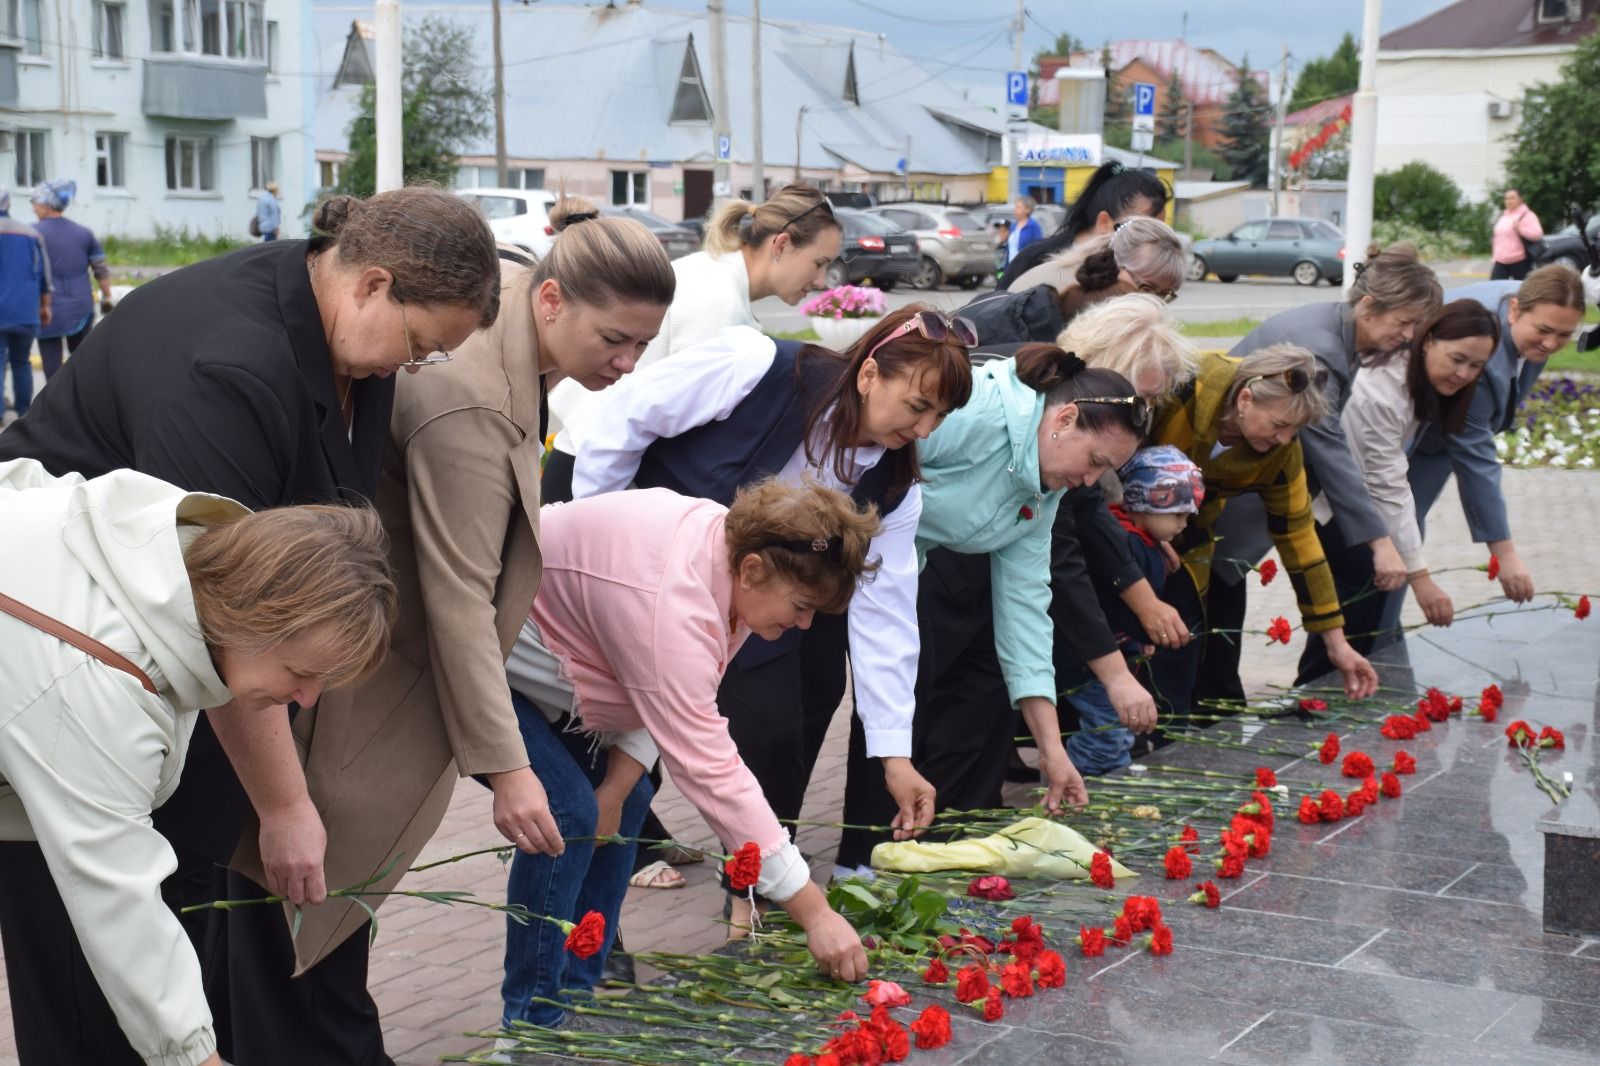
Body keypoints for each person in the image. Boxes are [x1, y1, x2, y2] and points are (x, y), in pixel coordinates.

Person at [0, 185, 501, 1059]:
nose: (408, 370)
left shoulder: (342, 335)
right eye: (420, 347)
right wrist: (285, 802)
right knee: (99, 975)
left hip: (151, 674)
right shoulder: (227, 377)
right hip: (61, 658)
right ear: (373, 283)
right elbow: (233, 618)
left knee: (164, 939)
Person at [219, 196, 673, 1065]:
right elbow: (461, 595)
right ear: (549, 302)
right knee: (309, 918)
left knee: (304, 930)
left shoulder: (511, 323)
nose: (627, 361)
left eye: (644, 344)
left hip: (357, 643)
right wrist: (507, 771)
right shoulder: (469, 402)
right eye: (614, 338)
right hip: (350, 673)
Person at [567, 307, 972, 924]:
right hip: (623, 553)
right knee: (615, 742)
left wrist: (895, 756)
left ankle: (748, 889)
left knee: (792, 721)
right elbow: (622, 420)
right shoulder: (756, 366)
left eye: (939, 417)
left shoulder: (896, 487)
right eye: (918, 405)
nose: (925, 428)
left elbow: (886, 621)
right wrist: (601, 552)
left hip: (749, 598)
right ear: (869, 374)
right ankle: (597, 923)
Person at [0, 458, 396, 1066]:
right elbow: (117, 895)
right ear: (259, 616)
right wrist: (194, 1056)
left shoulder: (168, 550)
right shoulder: (97, 677)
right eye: (302, 672)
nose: (307, 699)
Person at [499, 480, 881, 1031]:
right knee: (565, 817)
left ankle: (578, 997)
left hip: (572, 671)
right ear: (752, 570)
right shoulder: (673, 598)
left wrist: (618, 787)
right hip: (491, 663)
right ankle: (531, 1026)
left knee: (626, 801)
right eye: (801, 607)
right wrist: (814, 912)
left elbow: (672, 696)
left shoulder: (727, 565)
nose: (804, 625)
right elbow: (707, 764)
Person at [834, 345, 1141, 869]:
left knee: (899, 700)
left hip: (892, 572)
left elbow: (1025, 611)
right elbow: (861, 462)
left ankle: (870, 865)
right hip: (832, 546)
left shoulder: (1045, 492)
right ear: (1064, 419)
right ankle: (778, 880)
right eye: (1095, 462)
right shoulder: (978, 413)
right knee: (804, 711)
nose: (1091, 482)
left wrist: (1051, 749)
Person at [1197, 244, 1442, 704]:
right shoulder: (1322, 349)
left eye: (1416, 326)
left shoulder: (1337, 329)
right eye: (1404, 322)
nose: (1408, 336)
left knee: (1219, 618)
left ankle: (1213, 707)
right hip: (1218, 494)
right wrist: (1381, 542)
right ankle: (1198, 720)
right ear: (1368, 305)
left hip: (1247, 490)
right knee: (1209, 619)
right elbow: (1329, 450)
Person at [543, 184, 842, 526]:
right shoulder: (717, 298)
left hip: (591, 468)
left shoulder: (716, 276)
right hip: (593, 479)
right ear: (782, 244)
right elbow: (682, 432)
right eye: (819, 263)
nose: (821, 280)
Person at [1145, 344, 1381, 725]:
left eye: (1295, 431)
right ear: (1244, 399)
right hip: (1118, 520)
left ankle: (1162, 737)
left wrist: (1336, 644)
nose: (1285, 440)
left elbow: (1300, 540)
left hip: (1189, 536)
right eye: (1278, 426)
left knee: (1179, 639)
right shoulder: (1184, 384)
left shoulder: (1280, 454)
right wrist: (1146, 535)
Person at [1368, 264, 1588, 645]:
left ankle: (1381, 631)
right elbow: (1476, 459)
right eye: (1545, 332)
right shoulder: (1480, 360)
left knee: (1406, 529)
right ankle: (1370, 640)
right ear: (1516, 310)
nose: (1552, 344)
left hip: (1435, 427)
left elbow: (1522, 368)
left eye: (1565, 335)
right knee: (1397, 528)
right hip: (1407, 427)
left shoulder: (1543, 306)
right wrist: (1504, 554)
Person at [1295, 300, 1500, 682]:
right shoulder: (1383, 388)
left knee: (1369, 603)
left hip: (1357, 503)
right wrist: (1421, 578)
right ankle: (1316, 700)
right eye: (1457, 358)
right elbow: (1384, 483)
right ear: (1428, 340)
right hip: (1332, 503)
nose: (1463, 374)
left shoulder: (1419, 378)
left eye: (1476, 366)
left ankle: (1338, 694)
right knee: (1361, 593)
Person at [1067, 445, 1205, 775]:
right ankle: (1086, 785)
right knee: (1108, 731)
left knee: (1111, 725)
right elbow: (1114, 606)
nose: (1183, 525)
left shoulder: (1135, 537)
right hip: (1098, 660)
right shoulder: (1130, 548)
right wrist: (1143, 633)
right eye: (1177, 515)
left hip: (1111, 653)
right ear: (1145, 502)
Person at [959, 217, 1187, 346]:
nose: (1154, 303)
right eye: (1146, 289)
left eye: (1166, 295)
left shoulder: (1090, 282)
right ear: (1116, 261)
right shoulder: (1072, 296)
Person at [998, 160, 1170, 290]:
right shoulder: (1034, 263)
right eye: (1145, 231)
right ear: (1104, 223)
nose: (1153, 245)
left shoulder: (1130, 277)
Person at [29, 179, 114, 379]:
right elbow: (101, 269)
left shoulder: (32, 234)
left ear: (46, 204)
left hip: (46, 307)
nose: (33, 208)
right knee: (81, 361)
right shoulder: (84, 233)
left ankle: (54, 405)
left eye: (34, 202)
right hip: (80, 306)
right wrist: (108, 297)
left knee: (51, 364)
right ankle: (81, 404)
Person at [0, 187, 51, 419]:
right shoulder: (31, 234)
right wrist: (45, 306)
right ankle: (24, 411)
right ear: (9, 205)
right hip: (25, 310)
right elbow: (44, 275)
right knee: (22, 360)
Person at [1490, 188, 1543, 282]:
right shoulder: (1503, 216)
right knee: (1494, 289)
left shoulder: (1527, 215)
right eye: (1506, 199)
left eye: (1512, 198)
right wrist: (1495, 256)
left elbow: (1538, 234)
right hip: (1500, 261)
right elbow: (1498, 238)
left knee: (1522, 291)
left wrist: (1520, 229)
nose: (1508, 201)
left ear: (1520, 199)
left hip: (1519, 261)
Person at [1006, 196, 1043, 266]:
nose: (1015, 210)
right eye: (1015, 207)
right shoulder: (1013, 226)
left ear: (1027, 210)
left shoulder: (1033, 226)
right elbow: (1009, 249)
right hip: (1011, 266)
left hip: (1025, 267)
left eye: (1018, 207)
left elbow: (1037, 248)